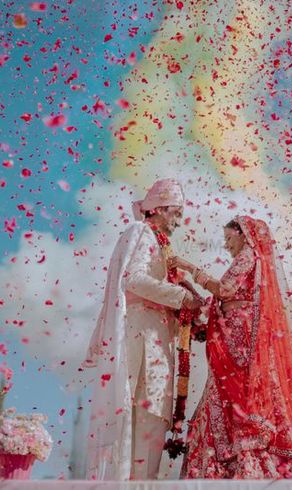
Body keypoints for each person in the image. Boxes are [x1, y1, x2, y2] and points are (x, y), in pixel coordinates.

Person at [171, 216, 292, 479]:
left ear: (243, 234)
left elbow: (224, 289)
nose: (226, 246)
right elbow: (223, 297)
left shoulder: (248, 255)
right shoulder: (250, 259)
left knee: (237, 394)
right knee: (230, 394)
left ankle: (245, 465)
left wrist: (189, 268)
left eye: (229, 239)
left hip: (240, 340)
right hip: (234, 335)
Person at [83, 179, 203, 480]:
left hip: (157, 343)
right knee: (140, 426)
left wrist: (188, 313)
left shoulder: (158, 241)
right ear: (160, 209)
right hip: (143, 343)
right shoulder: (142, 232)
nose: (178, 221)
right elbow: (133, 281)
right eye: (176, 213)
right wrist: (181, 297)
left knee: (152, 429)